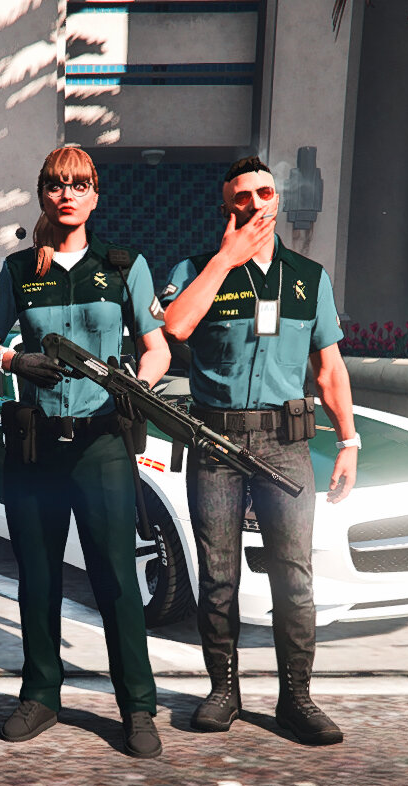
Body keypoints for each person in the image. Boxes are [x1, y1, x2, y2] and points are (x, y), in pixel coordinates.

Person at [0, 146, 173, 759]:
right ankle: (41, 695)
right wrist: (13, 359)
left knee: (117, 580)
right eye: (57, 185)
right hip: (35, 448)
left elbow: (157, 348)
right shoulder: (18, 269)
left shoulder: (123, 266)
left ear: (95, 195)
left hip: (102, 443)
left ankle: (137, 706)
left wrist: (139, 385)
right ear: (42, 194)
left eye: (80, 185)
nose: (68, 195)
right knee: (38, 577)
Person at [158, 156, 358, 746]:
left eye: (264, 192)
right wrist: (225, 259)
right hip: (215, 442)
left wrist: (348, 440)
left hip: (285, 444)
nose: (254, 203)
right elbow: (176, 327)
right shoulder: (197, 269)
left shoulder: (309, 277)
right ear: (227, 206)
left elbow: (329, 368)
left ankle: (296, 699)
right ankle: (223, 691)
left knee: (294, 576)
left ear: (277, 198)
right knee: (217, 574)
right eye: (241, 196)